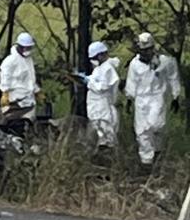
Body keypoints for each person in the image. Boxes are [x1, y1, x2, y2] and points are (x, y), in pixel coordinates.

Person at [126, 32, 182, 165]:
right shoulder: (135, 64)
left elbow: (173, 78)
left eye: (147, 50)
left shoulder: (165, 62)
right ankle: (146, 162)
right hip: (141, 100)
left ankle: (158, 153)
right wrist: (129, 97)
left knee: (157, 126)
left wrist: (175, 96)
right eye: (142, 50)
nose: (145, 53)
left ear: (152, 48)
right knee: (142, 131)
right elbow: (131, 81)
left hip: (157, 98)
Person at [76, 41, 120, 148]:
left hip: (103, 106)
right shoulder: (101, 68)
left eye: (94, 58)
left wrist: (88, 82)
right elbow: (97, 79)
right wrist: (86, 78)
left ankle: (106, 152)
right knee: (98, 130)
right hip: (97, 106)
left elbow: (102, 87)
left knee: (105, 132)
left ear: (100, 55)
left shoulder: (108, 68)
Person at [0, 32, 39, 114]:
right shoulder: (10, 61)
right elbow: (5, 77)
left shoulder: (29, 60)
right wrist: (5, 93)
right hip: (15, 101)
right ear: (20, 47)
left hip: (29, 101)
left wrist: (37, 91)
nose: (27, 50)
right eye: (25, 48)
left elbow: (30, 78)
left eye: (29, 48)